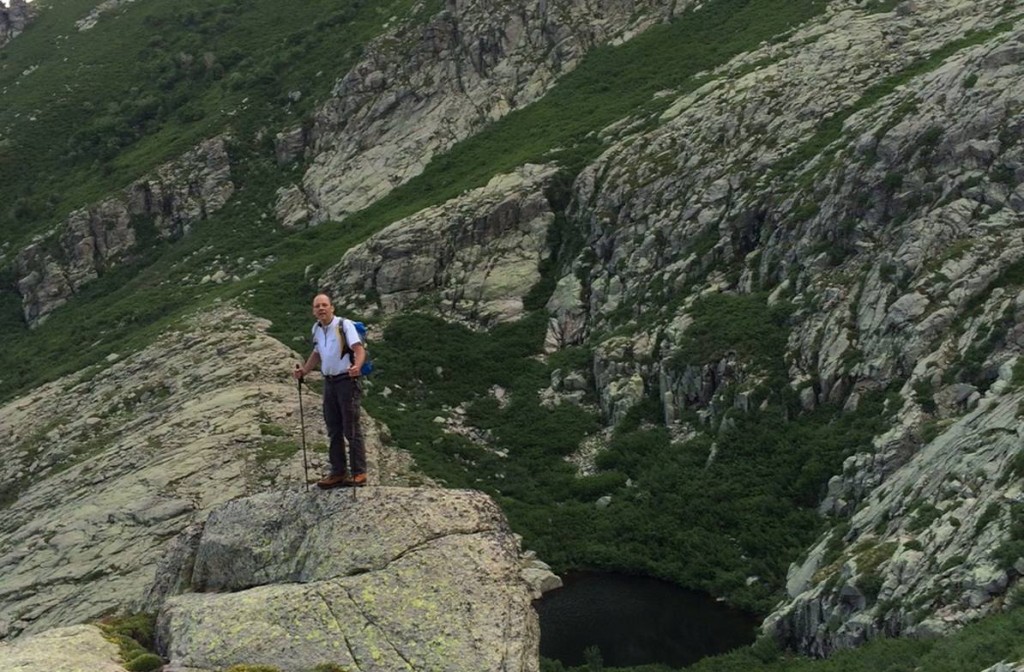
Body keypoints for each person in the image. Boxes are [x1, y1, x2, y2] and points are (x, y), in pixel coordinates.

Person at [292, 293, 368, 488]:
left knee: (350, 428)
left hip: (346, 380)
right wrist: (305, 371)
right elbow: (317, 352)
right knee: (333, 428)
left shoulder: (344, 325)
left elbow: (359, 349)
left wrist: (356, 367)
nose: (321, 309)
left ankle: (359, 472)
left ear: (332, 308)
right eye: (317, 306)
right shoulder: (317, 329)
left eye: (324, 305)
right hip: (330, 382)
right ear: (313, 311)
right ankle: (338, 472)